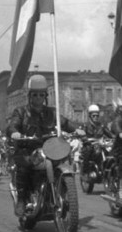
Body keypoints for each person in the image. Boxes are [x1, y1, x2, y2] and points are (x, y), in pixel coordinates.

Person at [7, 74, 81, 217]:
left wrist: (76, 129)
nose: (38, 98)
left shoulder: (51, 112)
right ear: (30, 96)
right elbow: (12, 125)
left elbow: (64, 123)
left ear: (45, 96)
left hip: (49, 148)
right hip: (27, 149)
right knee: (25, 165)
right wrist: (15, 132)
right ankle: (22, 200)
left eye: (41, 95)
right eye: (35, 94)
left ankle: (60, 193)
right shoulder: (21, 111)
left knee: (61, 161)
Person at [80, 104, 114, 176]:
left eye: (97, 115)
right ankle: (86, 171)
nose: (96, 117)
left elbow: (110, 134)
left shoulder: (101, 126)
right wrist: (85, 139)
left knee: (111, 152)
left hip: (100, 145)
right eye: (93, 115)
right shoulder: (85, 125)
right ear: (90, 116)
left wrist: (116, 138)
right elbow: (82, 133)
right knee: (88, 150)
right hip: (89, 145)